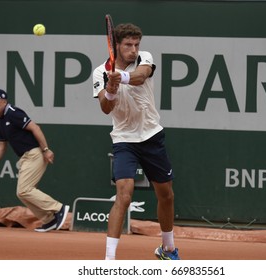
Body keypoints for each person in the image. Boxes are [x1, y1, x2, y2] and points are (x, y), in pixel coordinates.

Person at [92, 23, 180, 260]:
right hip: (124, 140)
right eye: (128, 45)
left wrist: (120, 77)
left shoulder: (144, 58)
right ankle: (109, 261)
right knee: (124, 194)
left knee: (166, 195)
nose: (133, 49)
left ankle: (168, 248)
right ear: (116, 46)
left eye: (136, 44)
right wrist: (110, 88)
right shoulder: (101, 72)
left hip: (152, 136)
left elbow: (140, 77)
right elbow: (105, 107)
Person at [0, 89, 70, 233]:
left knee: (24, 189)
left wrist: (46, 150)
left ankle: (58, 208)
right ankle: (49, 219)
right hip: (25, 157)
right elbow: (1, 147)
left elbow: (35, 128)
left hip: (35, 154)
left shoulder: (14, 113)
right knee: (22, 192)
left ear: (4, 101)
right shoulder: (1, 122)